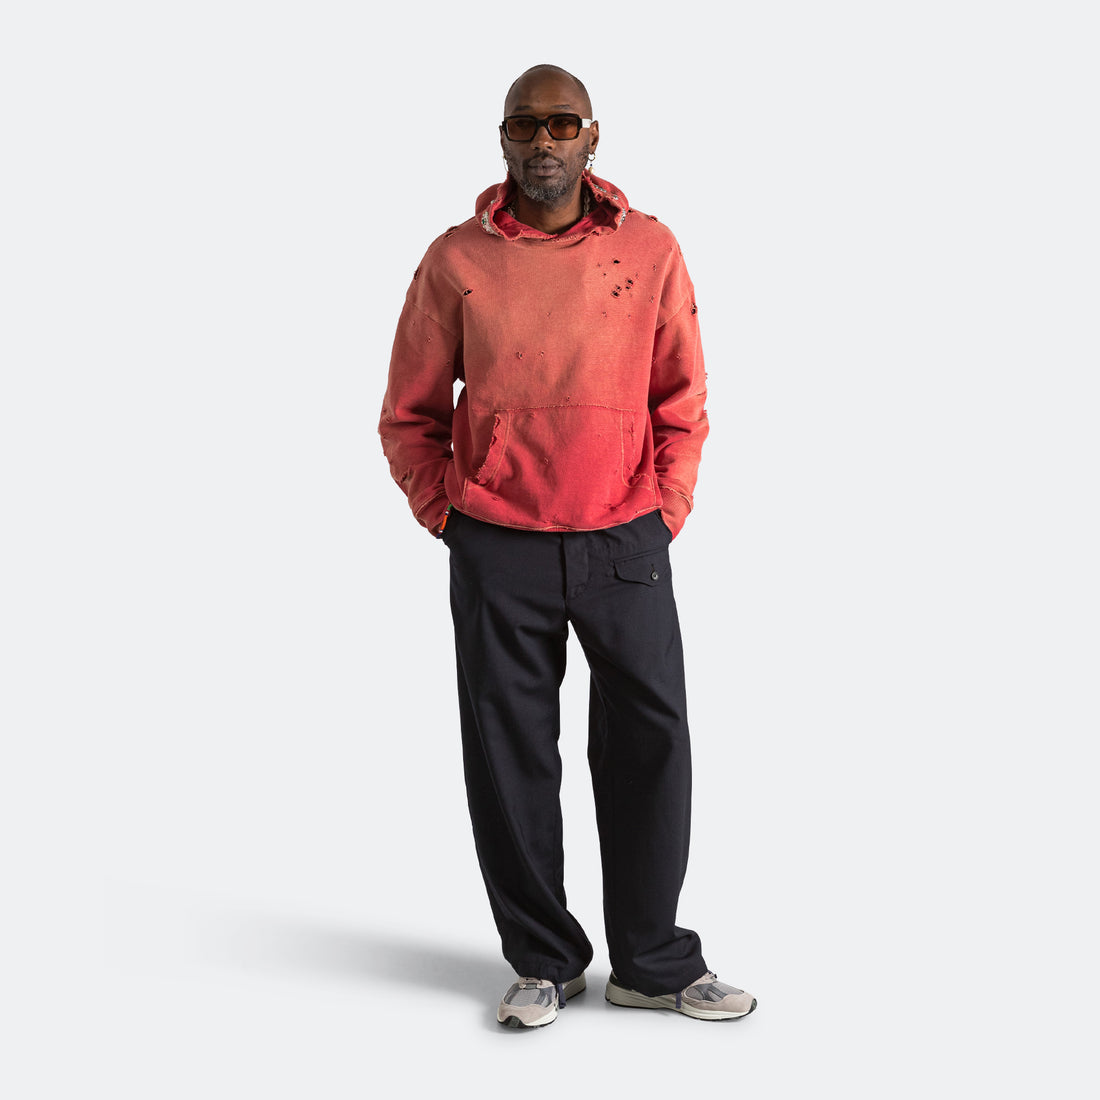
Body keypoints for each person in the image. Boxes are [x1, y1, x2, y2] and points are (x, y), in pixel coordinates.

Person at [379, 63, 756, 1029]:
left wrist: (665, 506)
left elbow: (682, 397)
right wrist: (450, 516)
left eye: (561, 123)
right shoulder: (455, 259)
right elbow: (409, 412)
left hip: (625, 536)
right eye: (523, 124)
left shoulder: (651, 248)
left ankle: (653, 962)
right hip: (498, 543)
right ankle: (543, 959)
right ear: (502, 138)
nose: (541, 140)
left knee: (651, 746)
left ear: (593, 137)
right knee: (509, 754)